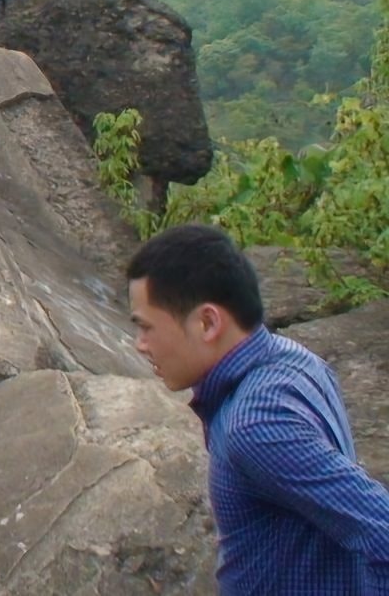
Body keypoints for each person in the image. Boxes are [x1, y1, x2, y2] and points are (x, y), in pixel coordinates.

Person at [127, 223, 389, 593]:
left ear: (207, 322)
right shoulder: (297, 360)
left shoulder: (255, 426)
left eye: (146, 327)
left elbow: (382, 530)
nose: (140, 344)